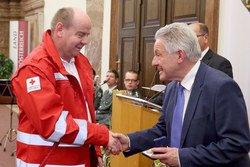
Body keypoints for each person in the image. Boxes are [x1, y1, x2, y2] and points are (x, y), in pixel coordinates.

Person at [113, 23, 250, 166]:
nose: (154, 62)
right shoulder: (172, 88)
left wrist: (182, 157)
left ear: (179, 55)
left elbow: (237, 144)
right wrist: (129, 141)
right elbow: (163, 130)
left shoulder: (221, 87)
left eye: (158, 55)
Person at [11, 7, 120, 167]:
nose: (86, 41)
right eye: (80, 34)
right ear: (60, 29)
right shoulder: (34, 68)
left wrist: (94, 151)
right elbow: (52, 123)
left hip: (80, 159)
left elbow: (87, 114)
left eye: (87, 35)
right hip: (45, 162)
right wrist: (102, 135)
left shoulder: (81, 63)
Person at [150, 22, 234, 107]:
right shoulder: (173, 86)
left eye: (192, 37)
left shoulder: (220, 68)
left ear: (205, 38)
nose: (154, 62)